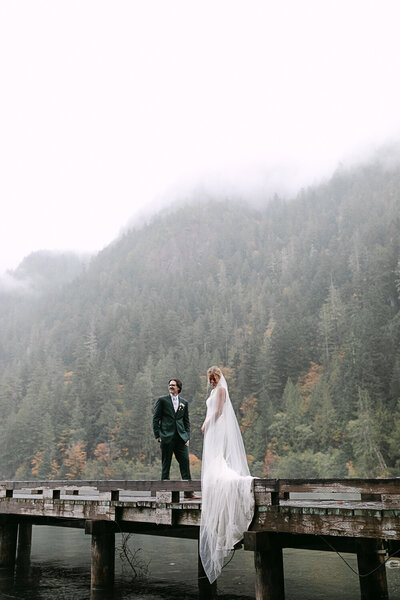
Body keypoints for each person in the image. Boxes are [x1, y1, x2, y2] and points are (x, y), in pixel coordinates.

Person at [199, 366, 254, 583]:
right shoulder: (213, 391)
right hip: (211, 428)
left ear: (219, 377)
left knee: (217, 458)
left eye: (214, 378)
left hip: (216, 426)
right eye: (210, 379)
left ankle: (221, 480)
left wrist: (206, 422)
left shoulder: (221, 391)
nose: (212, 382)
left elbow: (220, 411)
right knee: (212, 459)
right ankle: (213, 483)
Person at [153, 378, 200, 500]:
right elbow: (155, 418)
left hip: (181, 437)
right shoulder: (162, 400)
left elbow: (186, 422)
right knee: (166, 463)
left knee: (185, 463)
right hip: (166, 437)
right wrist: (158, 435)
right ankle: (164, 491)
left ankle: (188, 492)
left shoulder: (184, 402)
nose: (171, 387)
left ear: (178, 388)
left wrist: (187, 437)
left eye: (173, 385)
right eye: (170, 385)